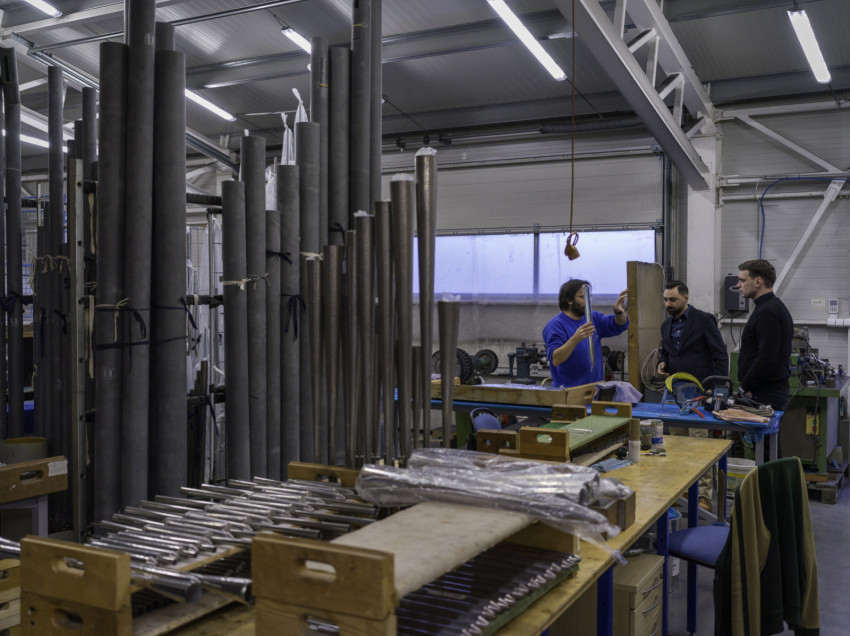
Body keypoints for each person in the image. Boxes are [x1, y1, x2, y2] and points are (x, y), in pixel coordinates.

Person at [656, 280, 729, 512]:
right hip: (677, 397)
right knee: (678, 445)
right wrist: (662, 362)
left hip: (701, 394)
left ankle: (704, 496)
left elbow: (720, 355)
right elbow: (666, 351)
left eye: (673, 299)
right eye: (666, 300)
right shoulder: (666, 325)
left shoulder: (704, 320)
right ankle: (683, 491)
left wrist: (716, 388)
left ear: (686, 298)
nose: (668, 304)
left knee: (699, 445)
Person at [543, 280, 628, 388]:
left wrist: (618, 312)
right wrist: (575, 339)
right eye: (583, 297)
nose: (588, 302)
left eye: (589, 297)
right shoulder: (556, 326)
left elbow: (619, 324)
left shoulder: (593, 318)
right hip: (569, 391)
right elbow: (556, 360)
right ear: (569, 300)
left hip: (595, 389)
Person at [735, 259, 793, 410]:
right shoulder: (772, 307)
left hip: (764, 394)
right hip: (765, 391)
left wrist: (745, 386)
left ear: (758, 282)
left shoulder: (767, 312)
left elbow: (767, 357)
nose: (738, 285)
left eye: (742, 280)